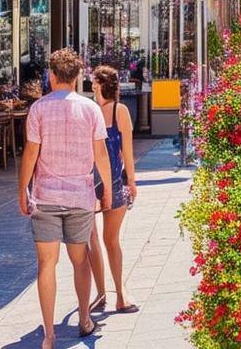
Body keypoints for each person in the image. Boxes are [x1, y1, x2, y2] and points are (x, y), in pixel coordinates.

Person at [18, 49, 112, 347]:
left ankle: (48, 334)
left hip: (45, 196)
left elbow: (31, 153)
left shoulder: (39, 109)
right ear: (77, 77)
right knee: (80, 260)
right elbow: (101, 155)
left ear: (52, 75)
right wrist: (107, 189)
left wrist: (23, 189)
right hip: (80, 197)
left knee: (46, 264)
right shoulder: (90, 109)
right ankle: (84, 319)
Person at [86, 66, 140, 314]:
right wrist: (132, 181)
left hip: (98, 181)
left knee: (99, 239)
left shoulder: (98, 112)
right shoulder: (113, 111)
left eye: (93, 82)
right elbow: (126, 151)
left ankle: (109, 293)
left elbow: (126, 151)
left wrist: (132, 181)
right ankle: (116, 294)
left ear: (98, 85)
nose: (91, 85)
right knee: (107, 240)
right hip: (110, 180)